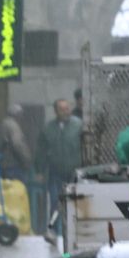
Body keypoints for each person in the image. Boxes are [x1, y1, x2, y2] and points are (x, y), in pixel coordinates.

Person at [34, 99, 84, 238]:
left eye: (67, 108)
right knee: (56, 201)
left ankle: (75, 231)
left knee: (76, 201)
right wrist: (39, 170)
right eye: (62, 109)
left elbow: (87, 146)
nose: (65, 111)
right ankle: (54, 231)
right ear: (56, 111)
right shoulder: (48, 129)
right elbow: (41, 151)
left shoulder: (78, 126)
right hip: (55, 172)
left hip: (75, 171)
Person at [0, 103, 36, 229]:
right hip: (14, 165)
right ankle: (18, 224)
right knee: (18, 195)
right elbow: (17, 144)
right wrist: (27, 161)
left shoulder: (3, 124)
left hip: (4, 165)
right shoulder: (13, 126)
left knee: (7, 196)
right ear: (18, 115)